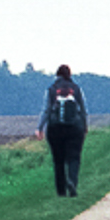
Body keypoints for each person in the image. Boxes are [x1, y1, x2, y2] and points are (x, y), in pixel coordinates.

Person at [40, 64, 88, 196]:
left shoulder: (51, 89)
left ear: (57, 75)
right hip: (75, 128)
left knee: (58, 160)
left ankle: (61, 191)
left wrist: (40, 128)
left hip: (55, 128)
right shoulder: (77, 89)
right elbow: (83, 110)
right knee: (74, 157)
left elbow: (46, 110)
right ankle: (72, 181)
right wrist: (84, 126)